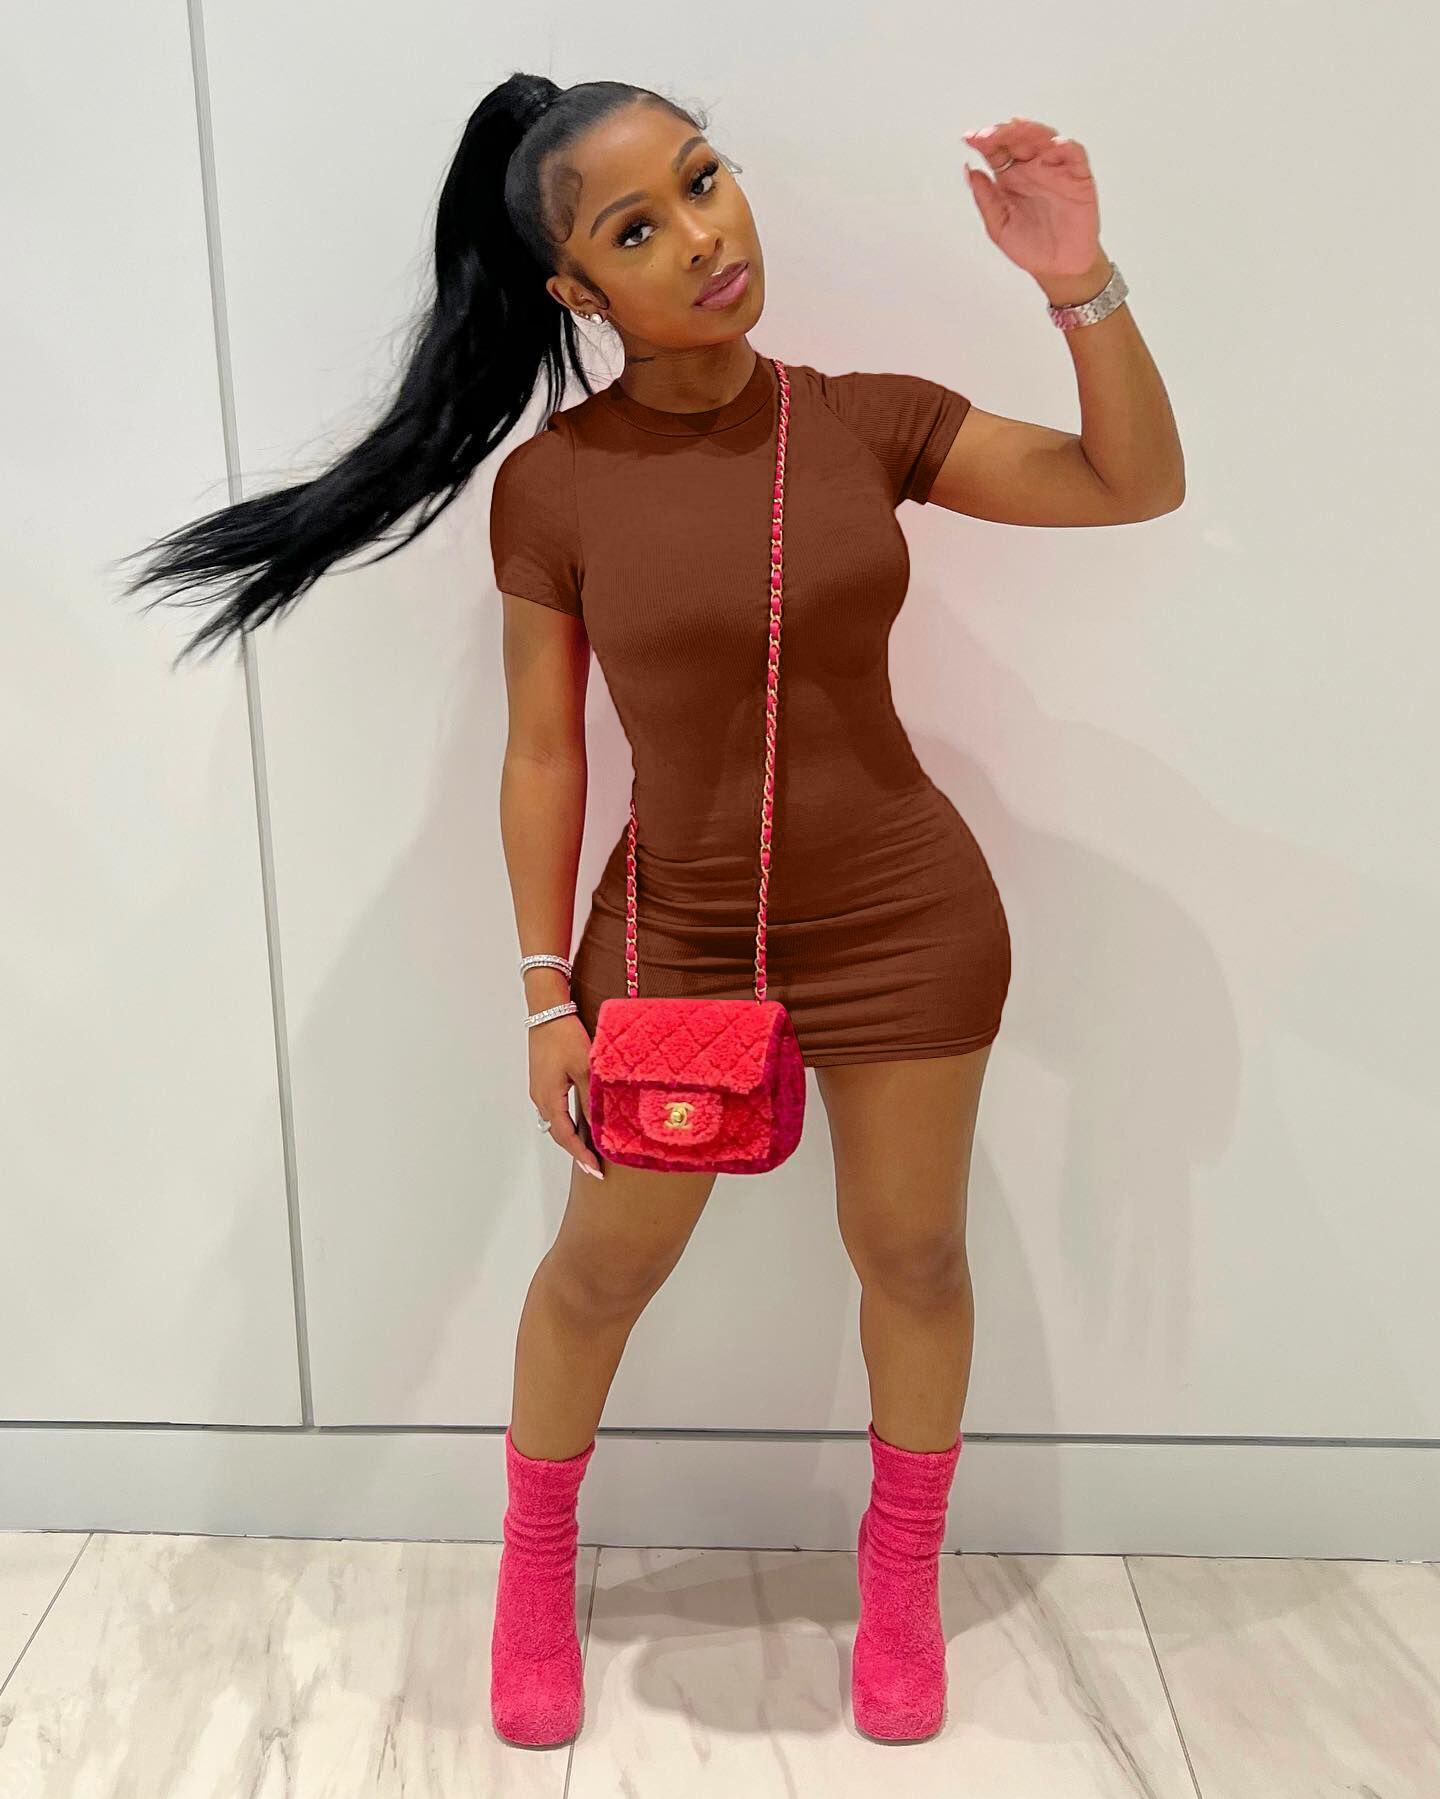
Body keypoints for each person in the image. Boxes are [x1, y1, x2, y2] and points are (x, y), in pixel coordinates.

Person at [118, 75, 1184, 1752]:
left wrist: (1079, 281)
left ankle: (899, 1577)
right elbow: (545, 753)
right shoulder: (552, 489)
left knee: (912, 1253)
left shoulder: (868, 422)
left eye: (703, 180)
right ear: (575, 289)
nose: (702, 236)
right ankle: (535, 1569)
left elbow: (1132, 485)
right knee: (604, 1268)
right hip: (676, 935)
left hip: (907, 917)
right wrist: (546, 992)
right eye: (636, 229)